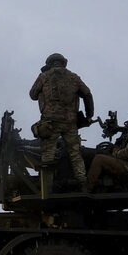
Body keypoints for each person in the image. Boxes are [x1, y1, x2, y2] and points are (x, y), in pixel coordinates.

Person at [30, 53, 94, 191]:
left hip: (50, 123)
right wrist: (89, 116)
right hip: (70, 123)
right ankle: (83, 184)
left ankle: (47, 187)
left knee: (48, 155)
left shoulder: (44, 76)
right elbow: (87, 94)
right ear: (63, 63)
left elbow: (33, 95)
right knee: (75, 154)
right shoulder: (73, 77)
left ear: (49, 63)